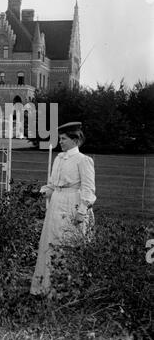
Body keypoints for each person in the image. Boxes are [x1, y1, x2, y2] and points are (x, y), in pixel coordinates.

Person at [30, 122, 96, 297]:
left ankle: (67, 292)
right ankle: (48, 289)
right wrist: (39, 193)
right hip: (56, 204)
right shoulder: (59, 158)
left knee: (67, 244)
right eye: (60, 139)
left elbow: (89, 189)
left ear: (75, 140)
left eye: (64, 139)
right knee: (50, 243)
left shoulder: (83, 160)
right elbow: (53, 186)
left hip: (72, 205)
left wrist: (82, 211)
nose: (61, 142)